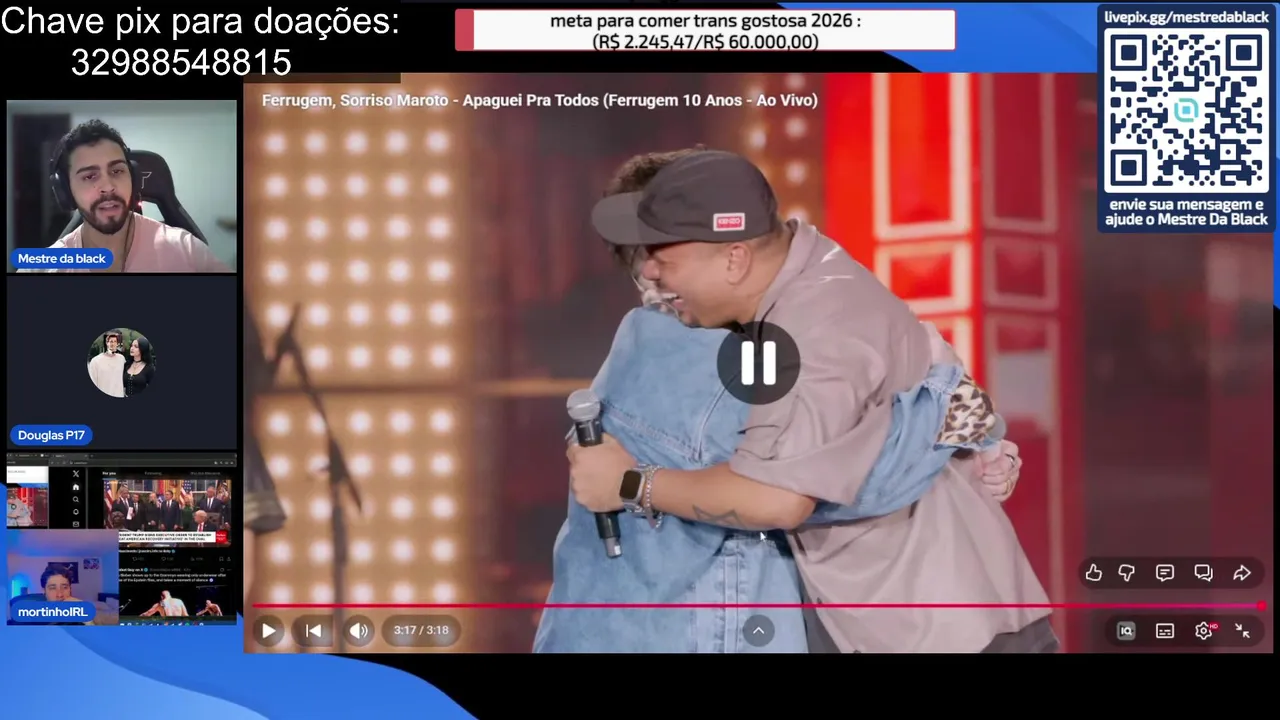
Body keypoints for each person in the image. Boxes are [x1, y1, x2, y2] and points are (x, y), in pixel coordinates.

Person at [536, 150, 1024, 653]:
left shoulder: (753, 331)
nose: (650, 270)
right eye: (643, 253)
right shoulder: (687, 347)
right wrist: (950, 421)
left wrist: (965, 417)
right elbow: (805, 488)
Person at [33, 119, 231, 273]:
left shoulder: (187, 252)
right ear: (66, 191)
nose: (108, 187)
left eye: (117, 171)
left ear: (133, 178)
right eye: (90, 176)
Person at [88, 331, 126, 397]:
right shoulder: (95, 361)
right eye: (111, 341)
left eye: (115, 341)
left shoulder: (121, 359)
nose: (113, 344)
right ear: (106, 343)